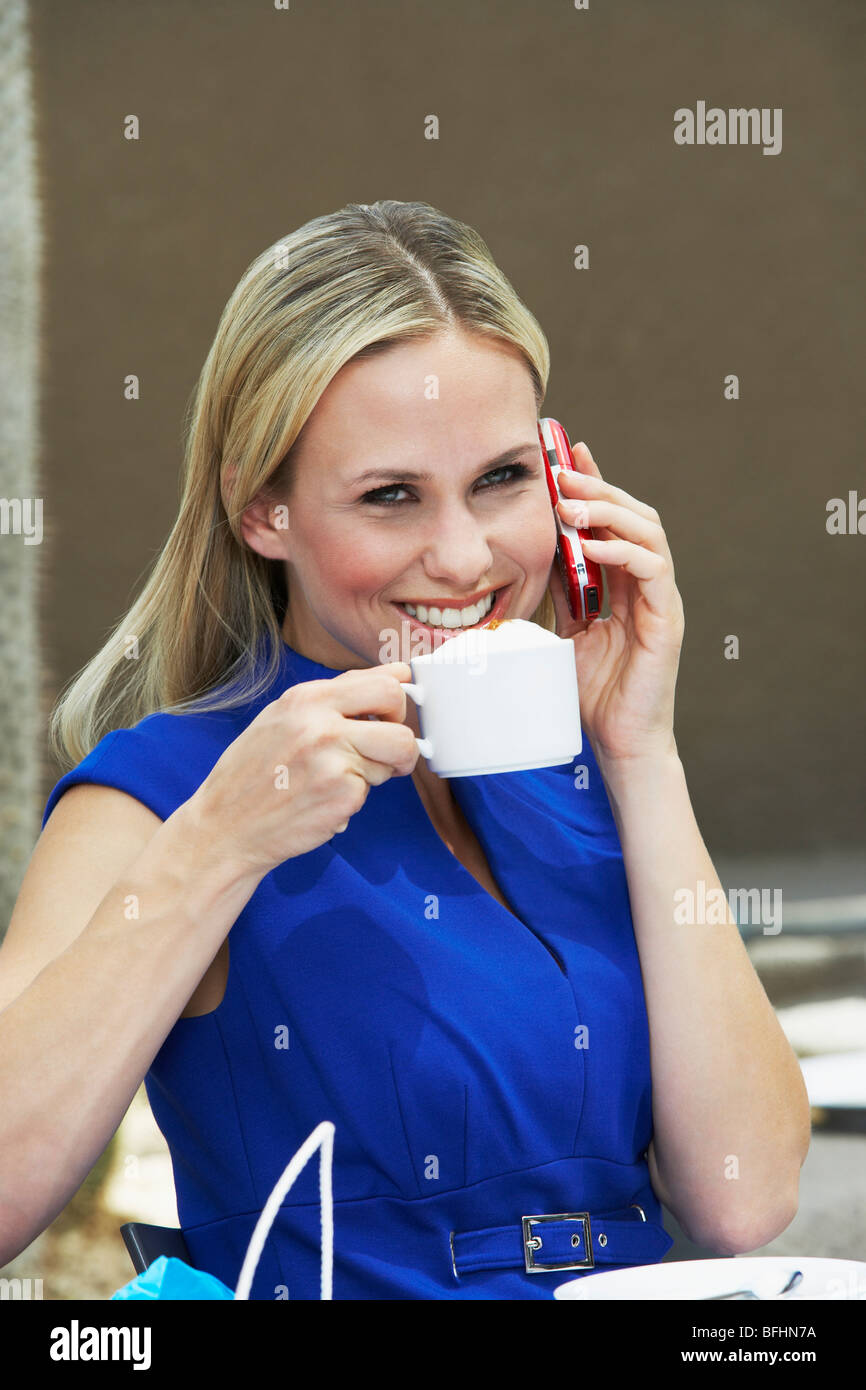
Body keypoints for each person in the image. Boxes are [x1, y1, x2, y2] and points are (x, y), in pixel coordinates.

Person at [0, 200, 810, 1300]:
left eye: (501, 478)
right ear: (262, 512)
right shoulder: (166, 795)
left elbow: (741, 1194)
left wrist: (642, 753)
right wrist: (220, 847)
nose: (465, 556)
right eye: (390, 497)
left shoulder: (580, 768)